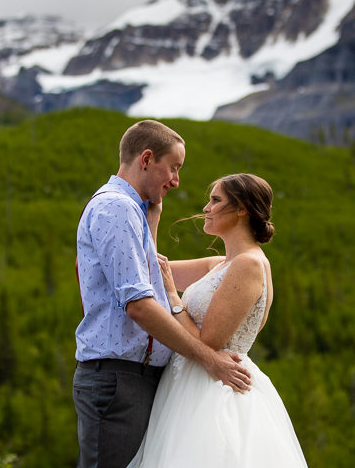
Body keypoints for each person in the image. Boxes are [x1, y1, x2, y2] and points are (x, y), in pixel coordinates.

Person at [74, 120, 252, 468]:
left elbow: (147, 280)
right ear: (146, 159)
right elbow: (139, 306)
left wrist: (152, 222)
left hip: (133, 380)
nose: (176, 180)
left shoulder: (134, 211)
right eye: (173, 167)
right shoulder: (116, 208)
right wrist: (210, 359)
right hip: (117, 380)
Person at [127, 173, 309, 467]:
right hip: (186, 385)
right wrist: (153, 219)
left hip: (216, 390)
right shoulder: (221, 264)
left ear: (241, 209)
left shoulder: (249, 264)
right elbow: (150, 272)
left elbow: (208, 342)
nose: (206, 209)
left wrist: (174, 297)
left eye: (215, 200)